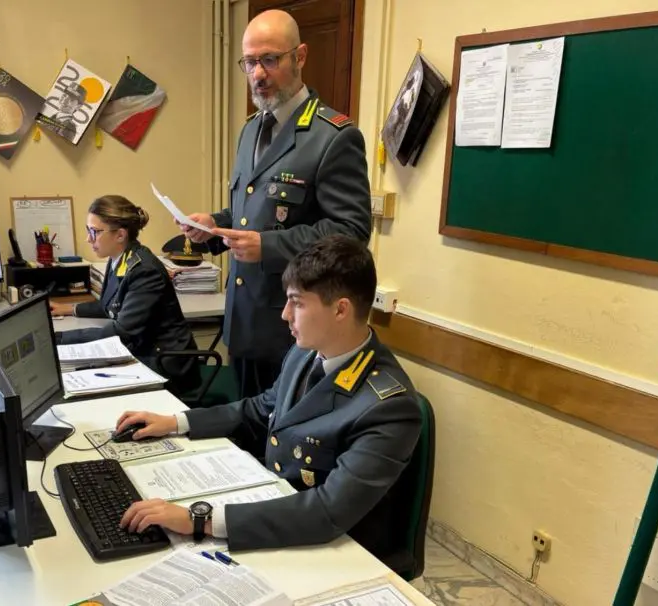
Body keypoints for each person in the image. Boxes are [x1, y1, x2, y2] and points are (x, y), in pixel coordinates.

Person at [115, 235, 423, 564]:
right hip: (278, 509)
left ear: (340, 309)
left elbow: (327, 511)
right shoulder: (307, 352)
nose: (285, 315)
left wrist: (201, 520)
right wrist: (177, 422)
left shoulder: (388, 405)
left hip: (337, 549)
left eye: (297, 303)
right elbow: (262, 408)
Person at [179, 9, 371, 399]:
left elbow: (351, 233)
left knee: (279, 435)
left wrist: (267, 247)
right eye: (250, 62)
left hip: (294, 330)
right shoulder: (251, 129)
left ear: (300, 57)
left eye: (270, 59)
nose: (258, 74)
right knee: (243, 428)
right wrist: (213, 226)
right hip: (243, 322)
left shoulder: (333, 136)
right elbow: (252, 215)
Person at [50, 195, 201, 396]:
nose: (88, 238)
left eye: (95, 232)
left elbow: (122, 331)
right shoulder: (118, 258)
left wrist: (59, 339)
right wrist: (69, 309)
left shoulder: (144, 270)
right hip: (142, 351)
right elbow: (111, 304)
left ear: (120, 235)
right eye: (88, 230)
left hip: (165, 365)